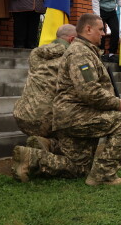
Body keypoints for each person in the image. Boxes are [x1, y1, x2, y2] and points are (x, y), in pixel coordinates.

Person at [11, 13, 121, 185]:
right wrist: (116, 103)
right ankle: (103, 176)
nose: (103, 34)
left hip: (72, 115)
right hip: (77, 115)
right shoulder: (80, 53)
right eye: (100, 30)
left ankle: (32, 157)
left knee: (79, 167)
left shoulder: (84, 51)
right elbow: (88, 90)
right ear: (88, 29)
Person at [12, 24, 77, 152]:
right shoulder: (72, 57)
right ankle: (50, 144)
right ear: (72, 40)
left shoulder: (36, 53)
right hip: (46, 121)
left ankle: (42, 141)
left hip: (22, 116)